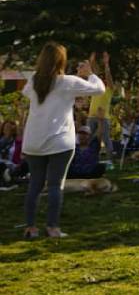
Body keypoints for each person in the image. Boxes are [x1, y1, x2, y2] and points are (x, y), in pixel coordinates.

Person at [21, 43, 106, 239]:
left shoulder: (33, 80)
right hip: (59, 141)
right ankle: (52, 228)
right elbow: (99, 89)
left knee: (34, 185)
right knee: (54, 186)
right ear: (62, 61)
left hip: (34, 141)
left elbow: (29, 92)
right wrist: (89, 73)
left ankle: (30, 227)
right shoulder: (67, 82)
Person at [85, 52, 118, 157]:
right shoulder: (96, 88)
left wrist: (106, 64)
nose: (103, 79)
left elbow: (108, 77)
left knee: (106, 139)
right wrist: (92, 62)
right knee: (89, 139)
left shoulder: (109, 89)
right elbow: (93, 74)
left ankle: (110, 160)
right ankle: (91, 158)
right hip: (91, 117)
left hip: (103, 118)